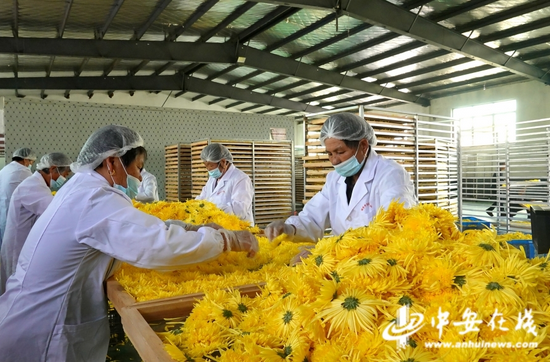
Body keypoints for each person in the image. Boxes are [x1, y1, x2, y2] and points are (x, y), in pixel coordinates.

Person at [0, 125, 258, 362]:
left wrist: (192, 228)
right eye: (137, 167)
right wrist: (227, 239)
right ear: (112, 162)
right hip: (44, 331)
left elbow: (138, 225)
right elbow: (158, 246)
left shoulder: (85, 188)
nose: (139, 176)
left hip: (38, 316)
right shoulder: (95, 199)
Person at [265, 112, 416, 243]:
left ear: (363, 145)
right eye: (329, 153)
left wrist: (330, 251)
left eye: (340, 152)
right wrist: (289, 228)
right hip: (344, 264)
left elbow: (395, 230)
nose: (334, 161)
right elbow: (313, 217)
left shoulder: (391, 175)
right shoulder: (334, 180)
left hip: (380, 265)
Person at [0, 152, 72, 294]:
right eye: (65, 174)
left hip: (22, 245)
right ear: (52, 169)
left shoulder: (39, 185)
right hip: (17, 249)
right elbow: (57, 216)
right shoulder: (32, 187)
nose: (65, 178)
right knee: (16, 293)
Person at [196, 143, 254, 224]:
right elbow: (203, 197)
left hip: (238, 230)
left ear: (223, 162)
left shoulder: (241, 179)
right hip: (217, 227)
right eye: (206, 166)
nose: (208, 170)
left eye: (211, 166)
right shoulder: (212, 179)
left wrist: (214, 210)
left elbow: (240, 211)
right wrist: (194, 206)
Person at [0, 147, 36, 248]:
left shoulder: (5, 169)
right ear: (25, 159)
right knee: (14, 246)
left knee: (5, 244)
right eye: (31, 162)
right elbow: (35, 191)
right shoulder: (23, 171)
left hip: (3, 211)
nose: (31, 165)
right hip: (15, 214)